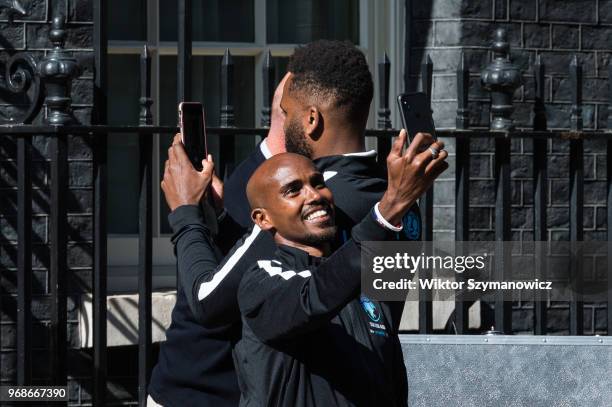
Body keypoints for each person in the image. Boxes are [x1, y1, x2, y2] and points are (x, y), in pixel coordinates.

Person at [161, 132, 447, 406]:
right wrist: (388, 209)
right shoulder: (262, 279)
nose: (314, 195)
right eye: (292, 190)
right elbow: (314, 295)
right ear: (263, 219)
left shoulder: (360, 285)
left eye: (318, 182)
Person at [147, 74, 288, 407]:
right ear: (309, 119)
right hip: (198, 391)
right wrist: (185, 215)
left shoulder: (324, 190)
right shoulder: (260, 190)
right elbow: (207, 301)